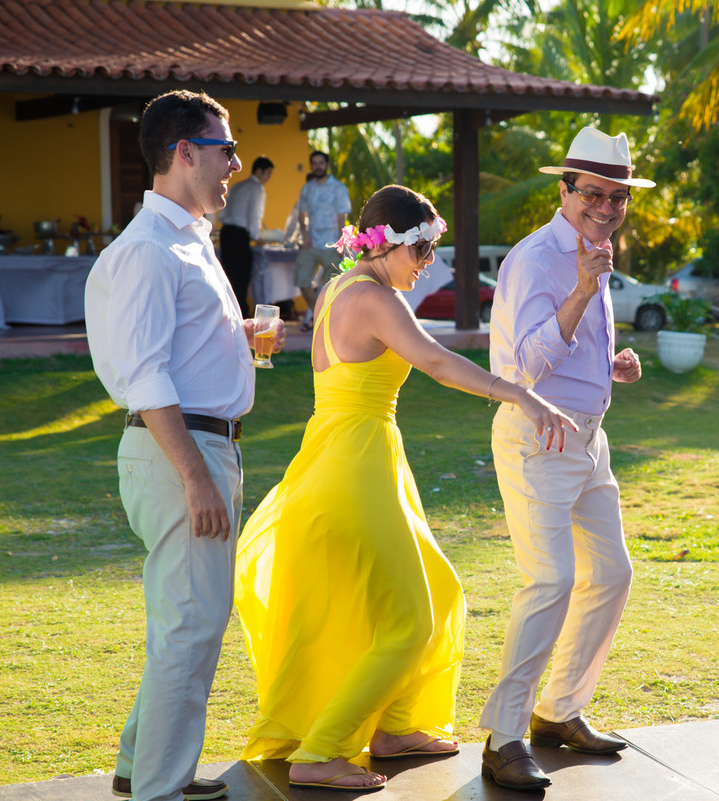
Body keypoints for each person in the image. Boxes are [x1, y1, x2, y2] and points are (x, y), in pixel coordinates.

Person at [233, 185, 576, 793]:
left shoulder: (344, 287)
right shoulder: (372, 297)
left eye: (430, 249)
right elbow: (438, 362)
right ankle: (323, 751)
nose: (427, 263)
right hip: (354, 464)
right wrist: (522, 394)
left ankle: (392, 727)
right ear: (384, 243)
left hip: (354, 453)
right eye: (420, 249)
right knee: (410, 622)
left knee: (438, 594)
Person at [84, 89, 285, 801]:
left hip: (201, 446)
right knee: (191, 626)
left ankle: (143, 765)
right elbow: (145, 375)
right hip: (182, 453)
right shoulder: (147, 249)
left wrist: (246, 347)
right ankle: (160, 790)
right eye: (226, 149)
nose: (236, 163)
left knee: (188, 618)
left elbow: (181, 352)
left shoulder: (185, 240)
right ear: (183, 152)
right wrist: (196, 476)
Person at [478, 127, 648, 791]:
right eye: (594, 195)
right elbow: (521, 366)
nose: (607, 207)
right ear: (565, 191)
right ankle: (503, 734)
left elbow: (567, 355)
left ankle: (559, 710)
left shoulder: (592, 253)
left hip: (589, 438)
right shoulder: (535, 260)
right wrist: (581, 290)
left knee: (611, 572)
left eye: (619, 197)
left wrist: (612, 368)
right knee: (550, 580)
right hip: (535, 436)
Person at [294, 150, 351, 330]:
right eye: (315, 163)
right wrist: (304, 235)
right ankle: (319, 315)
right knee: (302, 281)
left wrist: (341, 243)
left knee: (329, 287)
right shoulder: (307, 188)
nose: (318, 166)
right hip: (311, 243)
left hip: (331, 244)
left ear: (327, 165)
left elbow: (342, 217)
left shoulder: (338, 188)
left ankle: (324, 322)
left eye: (321, 163)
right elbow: (301, 214)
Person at [217, 155, 274, 316]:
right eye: (267, 173)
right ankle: (240, 314)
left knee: (228, 276)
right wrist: (256, 237)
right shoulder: (256, 189)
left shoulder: (236, 185)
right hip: (240, 235)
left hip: (226, 233)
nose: (268, 178)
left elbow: (223, 213)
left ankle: (229, 313)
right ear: (259, 171)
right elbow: (254, 216)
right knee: (241, 278)